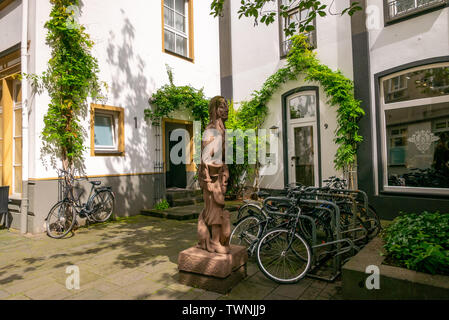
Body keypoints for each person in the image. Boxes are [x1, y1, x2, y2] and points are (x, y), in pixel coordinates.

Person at [197, 96, 231, 254]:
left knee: (219, 206)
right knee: (214, 209)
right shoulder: (211, 129)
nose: (226, 109)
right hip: (211, 176)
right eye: (222, 107)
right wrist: (208, 180)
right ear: (214, 110)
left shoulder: (222, 129)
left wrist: (225, 170)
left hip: (219, 175)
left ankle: (216, 240)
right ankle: (214, 241)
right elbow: (205, 157)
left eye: (226, 106)